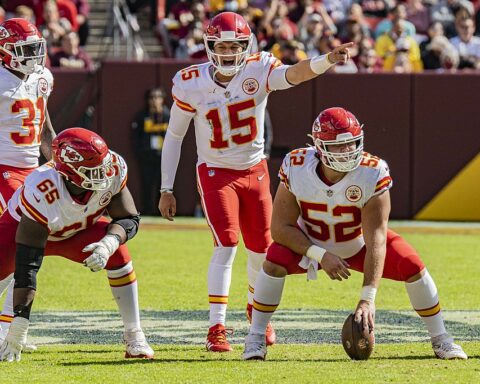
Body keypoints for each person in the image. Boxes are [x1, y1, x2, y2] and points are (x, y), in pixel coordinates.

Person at [158, 11, 353, 353]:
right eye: (223, 46)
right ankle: (216, 326)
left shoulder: (258, 68)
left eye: (236, 46)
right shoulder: (191, 82)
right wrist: (166, 188)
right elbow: (174, 136)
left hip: (255, 170)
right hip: (216, 172)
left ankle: (255, 310)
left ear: (246, 46)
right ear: (209, 47)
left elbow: (294, 74)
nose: (230, 53)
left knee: (261, 248)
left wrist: (326, 60)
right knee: (226, 245)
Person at [242, 107, 468, 361]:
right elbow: (280, 228)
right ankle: (255, 337)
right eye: (339, 146)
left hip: (356, 244)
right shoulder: (297, 165)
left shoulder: (371, 172)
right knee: (273, 261)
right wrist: (319, 254)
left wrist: (367, 299)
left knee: (412, 265)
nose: (348, 151)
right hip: (309, 244)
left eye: (352, 144)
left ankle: (441, 338)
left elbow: (377, 240)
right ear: (319, 146)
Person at [0, 127, 154, 362]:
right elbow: (27, 267)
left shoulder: (112, 167)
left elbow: (128, 218)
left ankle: (134, 334)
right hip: (25, 231)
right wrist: (19, 326)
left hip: (76, 231)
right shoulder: (42, 188)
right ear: (69, 172)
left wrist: (108, 244)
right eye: (92, 170)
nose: (103, 173)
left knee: (120, 256)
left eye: (102, 164)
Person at [0, 18, 56, 345]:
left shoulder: (43, 77)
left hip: (31, 170)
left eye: (36, 48)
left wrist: (56, 161)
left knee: (29, 250)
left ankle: (10, 325)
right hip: (4, 168)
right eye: (26, 50)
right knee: (21, 248)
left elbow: (45, 127)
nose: (34, 56)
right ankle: (8, 326)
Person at [131, 87, 170, 215]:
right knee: (147, 184)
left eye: (158, 97)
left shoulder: (167, 115)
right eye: (152, 97)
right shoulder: (142, 116)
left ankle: (161, 211)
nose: (155, 100)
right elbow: (136, 137)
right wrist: (140, 153)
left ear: (163, 99)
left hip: (163, 157)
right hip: (147, 157)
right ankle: (147, 211)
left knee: (162, 186)